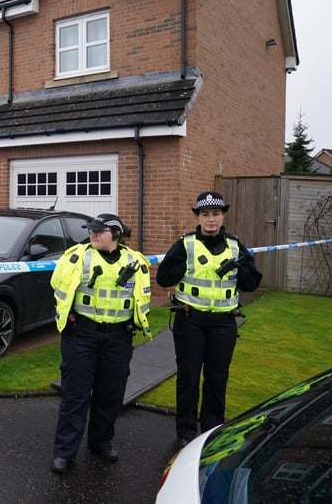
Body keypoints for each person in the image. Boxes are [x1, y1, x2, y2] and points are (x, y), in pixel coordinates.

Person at [156, 191, 262, 450]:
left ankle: (212, 431)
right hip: (190, 320)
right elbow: (163, 278)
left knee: (217, 378)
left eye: (215, 213)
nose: (211, 219)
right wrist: (182, 268)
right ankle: (186, 432)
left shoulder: (236, 246)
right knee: (189, 378)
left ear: (222, 215)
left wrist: (239, 268)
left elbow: (251, 282)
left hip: (223, 323)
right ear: (198, 217)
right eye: (205, 214)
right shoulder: (186, 244)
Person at [50, 213, 152, 474]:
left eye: (99, 231)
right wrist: (69, 316)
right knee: (75, 394)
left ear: (116, 234)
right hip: (81, 334)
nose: (93, 234)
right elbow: (57, 287)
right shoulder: (77, 256)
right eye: (91, 231)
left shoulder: (135, 261)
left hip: (119, 336)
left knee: (111, 393)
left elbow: (142, 295)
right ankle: (64, 452)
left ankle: (100, 442)